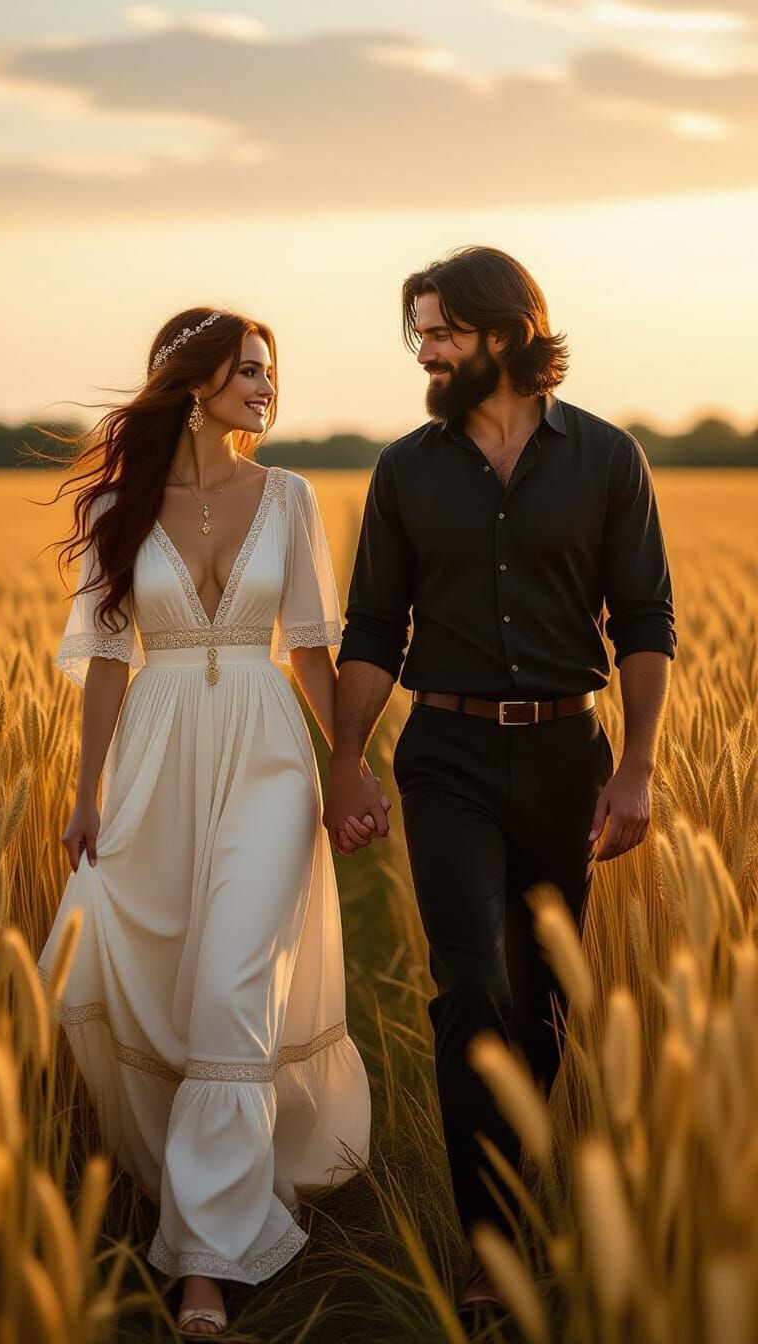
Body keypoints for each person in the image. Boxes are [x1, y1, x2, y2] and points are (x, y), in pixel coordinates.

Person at [323, 246, 676, 1312]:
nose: (426, 351)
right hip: (448, 758)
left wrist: (641, 768)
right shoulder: (405, 471)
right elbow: (377, 629)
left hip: (574, 757)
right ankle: (489, 1246)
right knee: (472, 982)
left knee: (547, 1003)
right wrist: (346, 760)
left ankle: (521, 1201)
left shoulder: (609, 459)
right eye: (418, 335)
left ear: (511, 330)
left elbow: (645, 621)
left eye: (442, 330)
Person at [36, 307, 375, 1337]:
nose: (267, 390)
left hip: (271, 756)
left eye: (271, 374)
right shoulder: (120, 511)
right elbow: (102, 666)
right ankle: (193, 1181)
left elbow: (311, 650)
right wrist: (88, 795)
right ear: (191, 385)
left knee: (233, 986)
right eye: (248, 373)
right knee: (171, 982)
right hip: (156, 753)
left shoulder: (292, 495)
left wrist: (350, 764)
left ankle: (204, 1267)